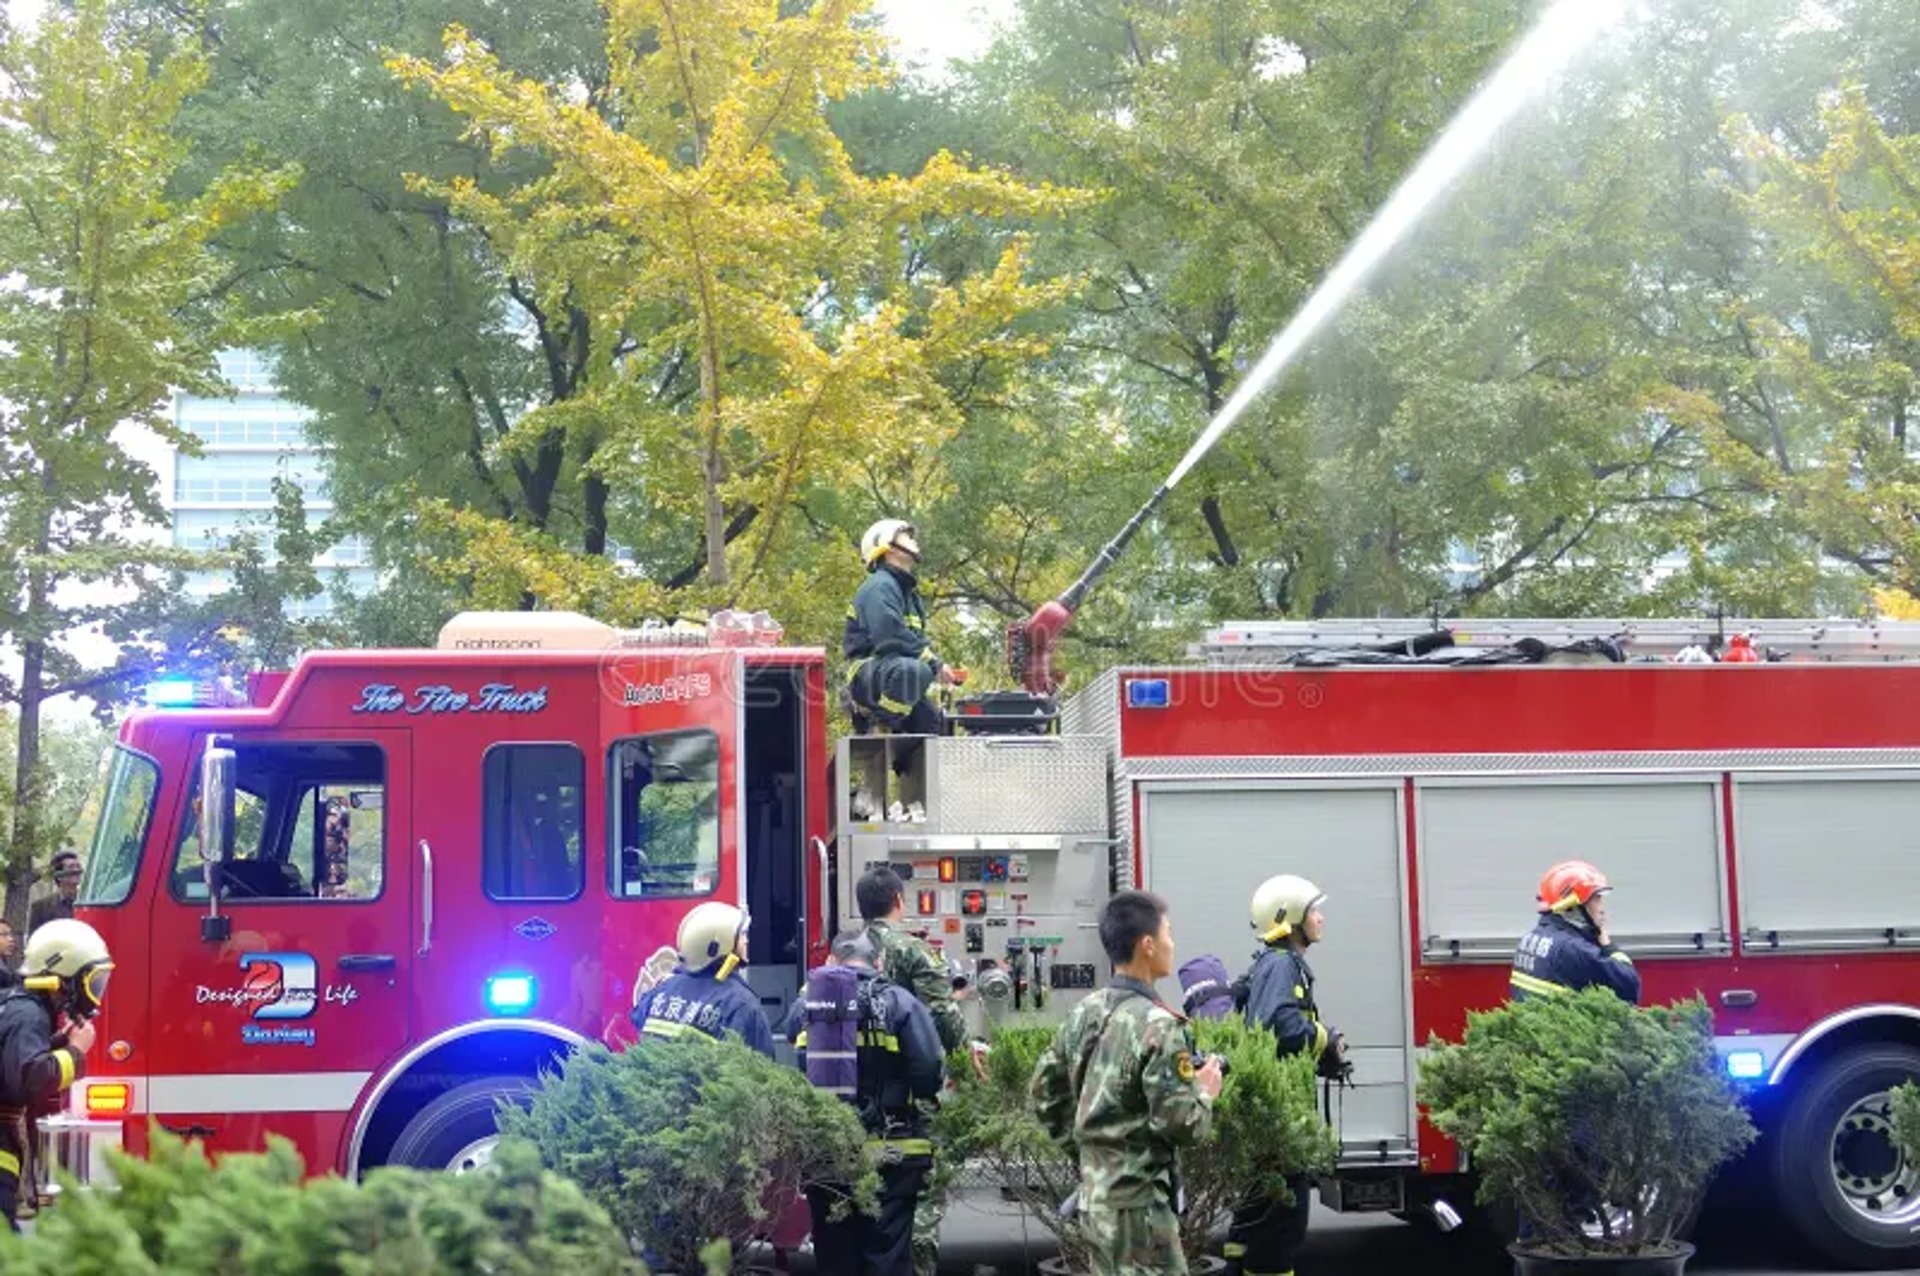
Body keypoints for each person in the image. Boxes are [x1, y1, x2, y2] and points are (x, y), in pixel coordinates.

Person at [1031, 891, 1223, 1276]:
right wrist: (1204, 1091)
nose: (1173, 943)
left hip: (1094, 1201)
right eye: (1169, 933)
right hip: (1140, 1211)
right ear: (1147, 945)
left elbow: (1044, 1095)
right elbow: (1182, 1124)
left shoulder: (1083, 1013)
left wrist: (1089, 1154)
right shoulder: (1160, 1025)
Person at [790, 930, 945, 1276]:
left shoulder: (810, 1003)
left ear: (833, 961)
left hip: (827, 1154)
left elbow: (791, 1039)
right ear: (879, 962)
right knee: (887, 1254)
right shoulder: (901, 1002)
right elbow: (929, 1073)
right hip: (893, 1151)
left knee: (834, 1254)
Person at [1230, 875, 1349, 1276]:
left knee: (1254, 1222)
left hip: (1271, 1119)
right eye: (1314, 911)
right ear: (1290, 920)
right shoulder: (1282, 967)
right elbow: (1279, 1026)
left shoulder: (1273, 963)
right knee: (1282, 1229)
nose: (1321, 918)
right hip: (1280, 1121)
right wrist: (1325, 1038)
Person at [858, 866, 968, 1276]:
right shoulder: (913, 950)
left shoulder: (847, 950)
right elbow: (942, 1014)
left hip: (857, 1096)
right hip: (910, 1097)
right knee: (922, 1193)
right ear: (899, 901)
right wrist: (963, 1058)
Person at [0, 919, 110, 1230]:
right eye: (92, 982)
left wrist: (57, 1042)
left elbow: (10, 1061)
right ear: (63, 981)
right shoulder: (29, 1014)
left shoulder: (18, 1006)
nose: (95, 994)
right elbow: (28, 1078)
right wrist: (75, 1051)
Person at [843, 519, 955, 737]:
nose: (914, 541)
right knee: (915, 671)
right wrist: (934, 664)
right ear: (888, 546)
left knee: (935, 726)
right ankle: (878, 723)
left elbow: (912, 642)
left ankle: (904, 762)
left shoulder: (908, 595)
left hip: (894, 674)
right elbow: (889, 635)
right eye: (907, 536)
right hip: (868, 678)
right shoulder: (879, 585)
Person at [629, 902, 775, 1057]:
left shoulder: (663, 989)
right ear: (718, 946)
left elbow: (637, 1018)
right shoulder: (741, 1005)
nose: (746, 941)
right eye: (742, 935)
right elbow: (761, 1068)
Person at [1511, 860, 1641, 1005]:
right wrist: (1608, 945)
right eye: (1596, 899)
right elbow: (1629, 987)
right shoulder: (1574, 949)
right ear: (1571, 907)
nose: (1602, 909)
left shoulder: (1530, 938)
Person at [27, 851, 82, 933]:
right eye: (71, 867)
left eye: (78, 866)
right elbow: (35, 939)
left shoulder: (87, 902)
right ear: (59, 876)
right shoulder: (40, 907)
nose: (76, 870)